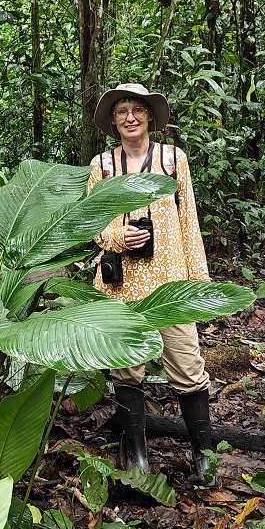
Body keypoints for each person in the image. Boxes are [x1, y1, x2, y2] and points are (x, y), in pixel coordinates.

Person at [87, 83, 217, 485]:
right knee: (127, 372)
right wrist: (115, 237)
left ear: (150, 117)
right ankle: (138, 460)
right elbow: (92, 220)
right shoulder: (102, 166)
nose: (130, 117)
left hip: (171, 283)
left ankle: (205, 457)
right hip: (122, 285)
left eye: (137, 109)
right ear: (113, 120)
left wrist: (200, 285)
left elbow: (189, 222)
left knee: (188, 366)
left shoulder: (173, 159)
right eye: (122, 110)